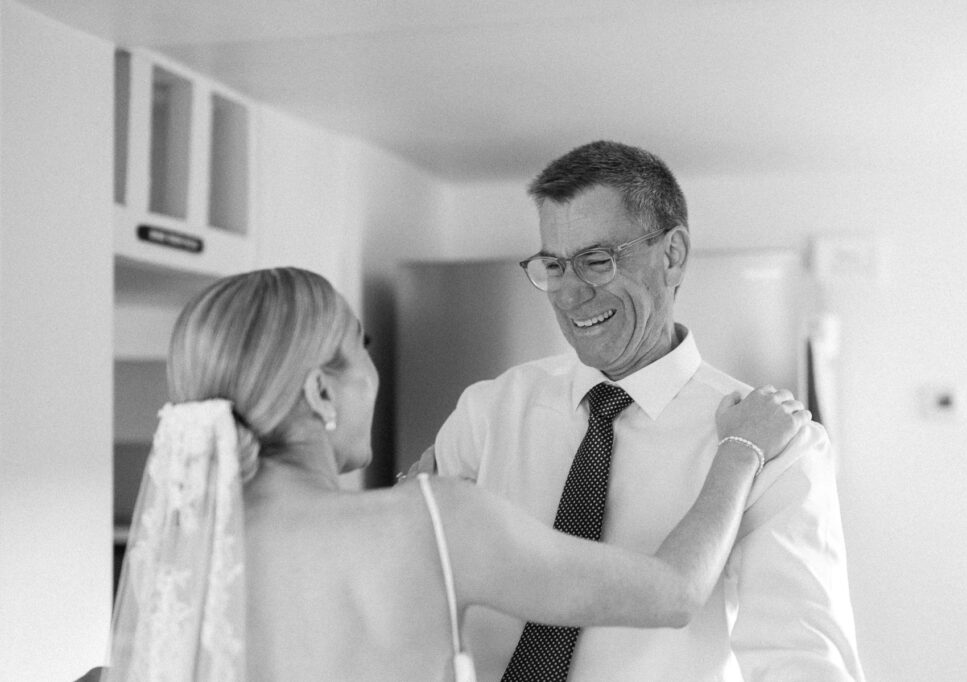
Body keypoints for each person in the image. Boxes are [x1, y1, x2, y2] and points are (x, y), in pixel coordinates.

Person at [102, 267, 810, 681]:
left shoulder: (184, 558)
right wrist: (742, 451)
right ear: (320, 392)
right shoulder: (435, 521)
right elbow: (675, 592)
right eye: (362, 349)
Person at [410, 141, 865, 681]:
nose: (571, 294)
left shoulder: (777, 446)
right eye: (553, 265)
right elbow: (414, 589)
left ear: (672, 255)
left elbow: (802, 660)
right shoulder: (489, 412)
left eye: (597, 261)